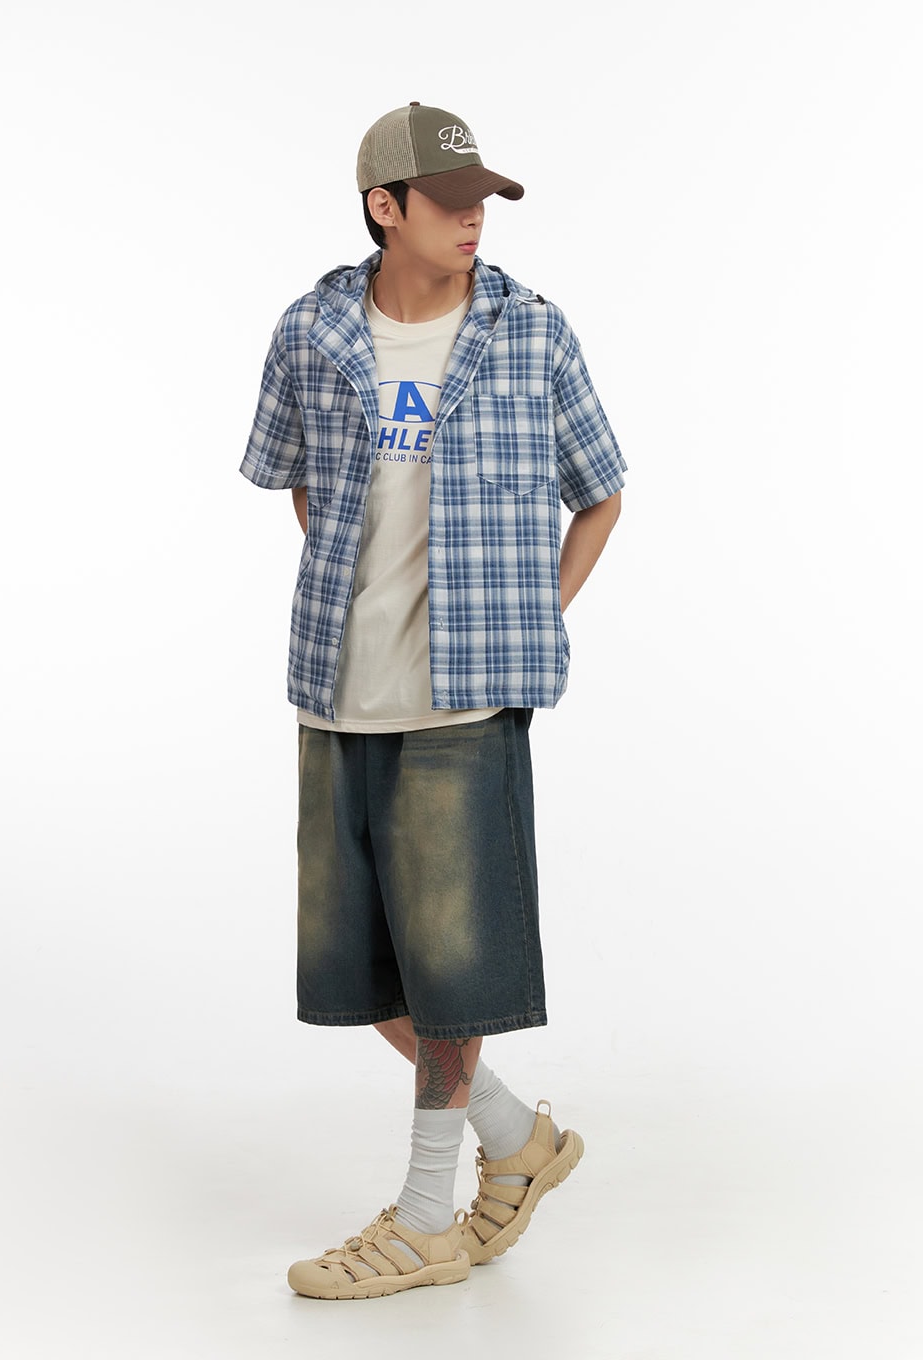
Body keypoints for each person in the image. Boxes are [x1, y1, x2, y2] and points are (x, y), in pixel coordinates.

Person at [240, 102, 626, 1299]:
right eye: (449, 201)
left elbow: (601, 492)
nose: (472, 219)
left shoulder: (531, 332)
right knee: (366, 977)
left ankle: (424, 1221)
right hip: (335, 689)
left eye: (481, 201)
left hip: (464, 703)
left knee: (453, 970)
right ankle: (518, 1140)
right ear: (383, 207)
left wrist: (530, 615)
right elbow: (297, 482)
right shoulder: (311, 330)